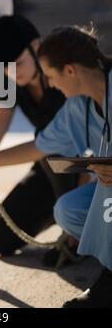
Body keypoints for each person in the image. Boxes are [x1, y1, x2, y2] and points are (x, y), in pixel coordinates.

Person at [0, 15, 79, 265]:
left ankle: (75, 224)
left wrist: (77, 221)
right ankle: (59, 213)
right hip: (50, 167)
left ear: (36, 47)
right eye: (5, 68)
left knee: (49, 153)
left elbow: (54, 146)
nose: (13, 73)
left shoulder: (63, 73)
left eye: (18, 63)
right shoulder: (11, 83)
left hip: (89, 167)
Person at [35, 25, 112, 308]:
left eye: (51, 77)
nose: (51, 85)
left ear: (69, 71)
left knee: (107, 190)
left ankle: (108, 284)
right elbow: (39, 146)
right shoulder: (78, 106)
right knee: (68, 210)